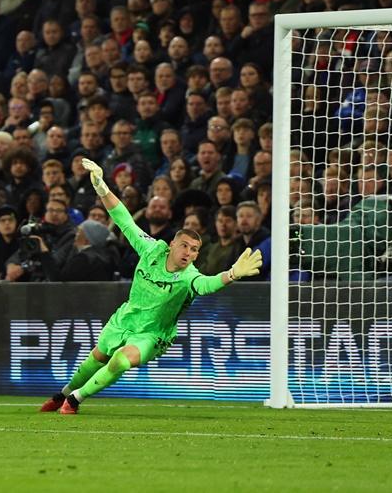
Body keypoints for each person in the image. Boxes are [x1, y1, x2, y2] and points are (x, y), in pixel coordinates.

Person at [40, 158, 262, 414]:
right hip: (125, 319)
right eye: (185, 246)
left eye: (194, 250)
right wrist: (101, 186)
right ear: (172, 246)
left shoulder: (189, 276)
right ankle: (62, 394)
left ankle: (74, 400)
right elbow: (124, 219)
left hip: (152, 334)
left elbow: (207, 285)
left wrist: (232, 273)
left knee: (121, 361)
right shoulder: (151, 250)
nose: (189, 253)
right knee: (96, 359)